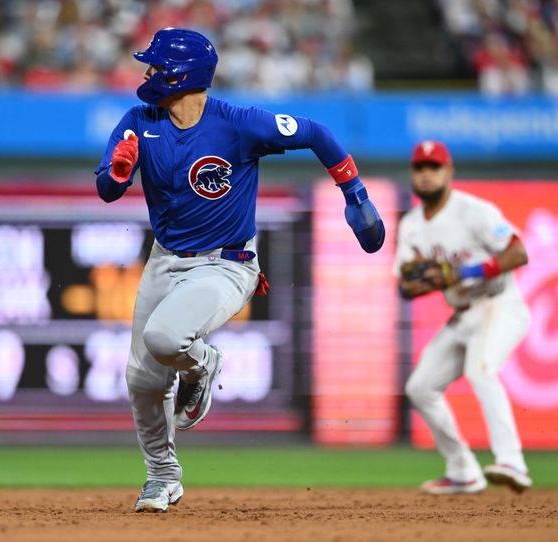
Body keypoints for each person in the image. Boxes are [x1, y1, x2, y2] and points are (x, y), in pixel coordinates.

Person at [94, 28, 385, 512]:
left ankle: (203, 364)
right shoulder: (139, 121)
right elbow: (107, 190)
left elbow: (315, 133)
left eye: (156, 66)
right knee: (143, 379)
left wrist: (355, 194)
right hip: (165, 260)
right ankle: (162, 477)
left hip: (227, 264)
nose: (147, 74)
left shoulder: (238, 124)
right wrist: (117, 172)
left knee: (164, 340)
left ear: (180, 76)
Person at [395, 141, 532, 495]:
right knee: (420, 388)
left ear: (448, 172)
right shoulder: (410, 225)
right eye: (420, 168)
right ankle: (463, 470)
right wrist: (428, 279)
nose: (426, 176)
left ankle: (512, 460)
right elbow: (405, 287)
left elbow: (518, 252)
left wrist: (463, 271)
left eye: (434, 168)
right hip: (463, 315)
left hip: (500, 304)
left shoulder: (474, 211)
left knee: (481, 369)